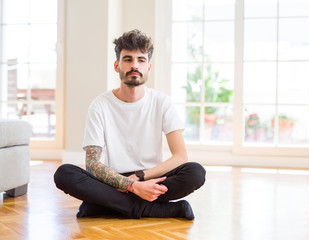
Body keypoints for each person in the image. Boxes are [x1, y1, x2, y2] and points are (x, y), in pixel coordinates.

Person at [53, 29, 206, 220]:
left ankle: (105, 206)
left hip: (150, 177)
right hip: (113, 180)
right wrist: (131, 185)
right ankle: (155, 210)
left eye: (141, 60)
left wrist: (140, 178)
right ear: (117, 66)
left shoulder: (162, 102)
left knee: (195, 172)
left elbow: (180, 156)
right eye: (128, 59)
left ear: (148, 67)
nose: (135, 65)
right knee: (65, 173)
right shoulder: (100, 105)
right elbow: (92, 165)